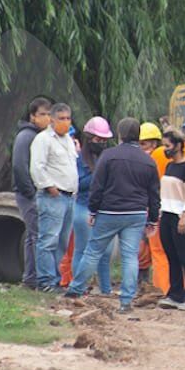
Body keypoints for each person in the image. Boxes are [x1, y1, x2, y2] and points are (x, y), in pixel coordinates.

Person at [66, 118, 161, 312]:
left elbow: (97, 186)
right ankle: (126, 301)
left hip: (109, 212)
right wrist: (152, 219)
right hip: (136, 214)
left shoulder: (108, 156)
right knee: (130, 257)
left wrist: (93, 210)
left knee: (92, 251)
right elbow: (154, 194)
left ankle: (75, 290)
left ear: (119, 135)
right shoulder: (148, 161)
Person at [30, 103, 78, 292]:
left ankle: (56, 279)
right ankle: (45, 281)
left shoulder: (67, 140)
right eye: (62, 119)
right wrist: (50, 187)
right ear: (52, 120)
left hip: (69, 197)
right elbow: (37, 167)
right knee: (48, 240)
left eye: (68, 118)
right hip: (53, 196)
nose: (65, 122)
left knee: (62, 242)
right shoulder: (43, 140)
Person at [157, 129, 185, 310]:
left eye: (167, 146)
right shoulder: (170, 166)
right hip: (166, 215)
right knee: (172, 256)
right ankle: (175, 294)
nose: (164, 149)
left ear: (178, 145)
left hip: (181, 217)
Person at [69, 116, 114, 294]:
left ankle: (105, 289)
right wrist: (98, 176)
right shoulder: (79, 159)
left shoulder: (107, 157)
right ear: (89, 138)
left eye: (104, 140)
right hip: (83, 207)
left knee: (106, 252)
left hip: (104, 209)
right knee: (83, 248)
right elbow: (79, 183)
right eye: (98, 139)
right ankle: (78, 287)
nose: (101, 143)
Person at [12, 97, 51, 290]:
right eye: (42, 114)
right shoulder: (26, 136)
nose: (47, 118)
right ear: (33, 117)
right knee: (39, 235)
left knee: (32, 236)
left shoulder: (43, 136)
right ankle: (42, 281)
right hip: (28, 194)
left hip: (37, 192)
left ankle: (30, 278)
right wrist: (31, 193)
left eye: (49, 114)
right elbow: (19, 166)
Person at [139, 121, 171, 293]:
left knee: (158, 250)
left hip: (156, 208)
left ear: (154, 143)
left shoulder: (157, 159)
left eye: (144, 144)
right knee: (145, 250)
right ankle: (146, 284)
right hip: (149, 208)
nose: (141, 147)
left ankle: (160, 286)